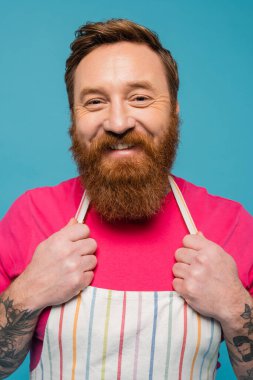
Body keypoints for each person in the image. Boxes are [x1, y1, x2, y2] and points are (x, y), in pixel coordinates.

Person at [0, 18, 252, 379]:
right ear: (74, 117)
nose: (118, 122)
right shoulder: (32, 215)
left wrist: (233, 305)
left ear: (174, 109)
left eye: (140, 98)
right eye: (95, 101)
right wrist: (27, 293)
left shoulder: (232, 224)